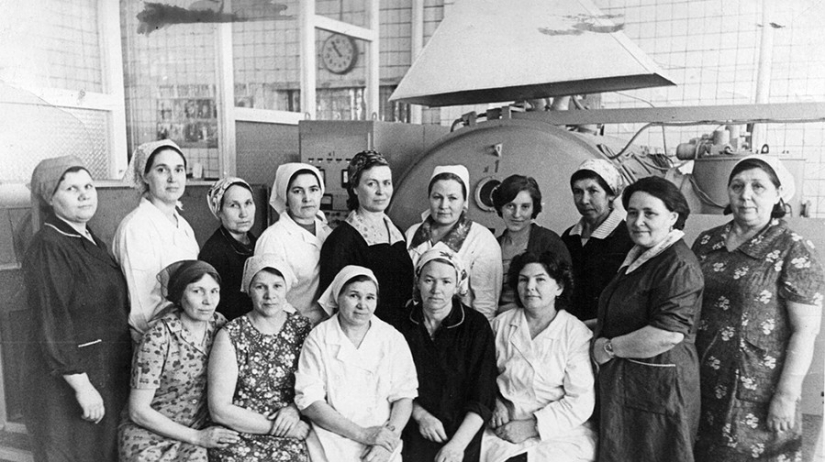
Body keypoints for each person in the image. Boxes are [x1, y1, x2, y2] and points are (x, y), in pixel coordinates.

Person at [692, 156, 824, 461]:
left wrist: (786, 395)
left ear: (778, 194)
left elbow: (805, 331)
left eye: (758, 187)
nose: (745, 195)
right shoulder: (707, 241)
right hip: (704, 379)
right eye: (737, 186)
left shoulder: (792, 248)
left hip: (761, 388)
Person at [22, 156, 132, 462]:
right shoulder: (49, 245)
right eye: (72, 189)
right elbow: (52, 321)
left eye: (88, 186)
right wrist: (82, 386)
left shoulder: (88, 239)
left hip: (101, 372)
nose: (84, 195)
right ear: (50, 197)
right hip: (68, 384)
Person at [591, 176, 703, 462]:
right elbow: (621, 315)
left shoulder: (678, 264)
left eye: (649, 213)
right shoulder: (642, 255)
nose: (637, 221)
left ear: (673, 217)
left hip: (659, 388)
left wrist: (608, 348)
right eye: (632, 212)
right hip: (632, 383)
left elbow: (667, 334)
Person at [480, 251, 596, 462]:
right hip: (504, 425)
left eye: (540, 279)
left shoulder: (575, 333)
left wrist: (532, 426)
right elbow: (481, 375)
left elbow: (581, 400)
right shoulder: (500, 325)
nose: (530, 287)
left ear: (559, 287)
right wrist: (494, 401)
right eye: (523, 280)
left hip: (559, 432)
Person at [119, 260, 239, 462]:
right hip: (151, 432)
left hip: (199, 428)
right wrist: (197, 437)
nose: (208, 301)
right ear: (180, 295)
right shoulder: (158, 338)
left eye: (214, 291)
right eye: (197, 291)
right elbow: (138, 411)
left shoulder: (220, 325)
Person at [295, 266, 418, 462]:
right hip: (332, 439)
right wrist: (363, 434)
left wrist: (387, 441)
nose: (362, 305)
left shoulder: (391, 338)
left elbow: (404, 396)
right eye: (354, 296)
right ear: (338, 297)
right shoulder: (319, 338)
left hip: (382, 441)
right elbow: (310, 402)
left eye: (370, 297)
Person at [208, 254, 313, 461]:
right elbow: (219, 409)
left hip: (295, 427)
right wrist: (275, 428)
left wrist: (295, 410)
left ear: (287, 288)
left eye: (277, 286)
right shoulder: (232, 334)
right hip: (241, 431)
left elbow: (319, 385)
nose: (269, 295)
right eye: (260, 287)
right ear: (249, 290)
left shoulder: (304, 329)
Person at [397, 248, 497, 462]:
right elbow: (391, 385)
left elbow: (483, 396)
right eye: (429, 280)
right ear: (417, 281)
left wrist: (456, 446)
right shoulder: (401, 324)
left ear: (458, 285)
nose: (436, 290)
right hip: (411, 422)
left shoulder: (475, 326)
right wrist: (421, 416)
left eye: (446, 282)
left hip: (461, 431)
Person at [113, 139, 199, 342]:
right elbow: (143, 309)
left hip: (186, 333)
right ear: (145, 176)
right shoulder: (137, 227)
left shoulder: (183, 225)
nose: (172, 178)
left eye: (178, 170)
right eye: (162, 170)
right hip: (156, 341)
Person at [320, 151, 414, 327]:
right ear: (355, 188)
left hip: (400, 331)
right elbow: (333, 305)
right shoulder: (341, 240)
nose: (381, 191)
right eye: (371, 184)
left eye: (386, 183)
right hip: (364, 333)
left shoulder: (397, 232)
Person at [406, 165, 502, 322]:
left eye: (452, 198)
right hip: (413, 324)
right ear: (429, 198)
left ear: (464, 201)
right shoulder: (412, 234)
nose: (444, 205)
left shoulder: (482, 240)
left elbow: (486, 306)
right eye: (437, 197)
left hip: (461, 330)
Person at [256, 163, 331, 325]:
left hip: (327, 324)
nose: (307, 198)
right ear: (286, 197)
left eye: (313, 189)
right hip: (289, 325)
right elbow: (266, 294)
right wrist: (300, 324)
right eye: (297, 191)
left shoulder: (326, 231)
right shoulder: (273, 239)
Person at [561, 159, 633, 327]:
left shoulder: (627, 238)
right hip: (567, 328)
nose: (584, 200)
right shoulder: (568, 237)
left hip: (606, 329)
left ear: (611, 195)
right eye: (578, 192)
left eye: (593, 191)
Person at [492, 174, 570, 314]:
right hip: (497, 321)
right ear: (500, 207)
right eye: (510, 206)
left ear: (534, 209)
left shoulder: (549, 242)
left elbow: (564, 293)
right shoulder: (492, 245)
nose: (517, 214)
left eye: (525, 207)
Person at [199, 177, 258, 320]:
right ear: (219, 211)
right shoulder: (214, 252)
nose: (244, 213)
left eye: (248, 203)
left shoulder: (256, 241)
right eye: (234, 205)